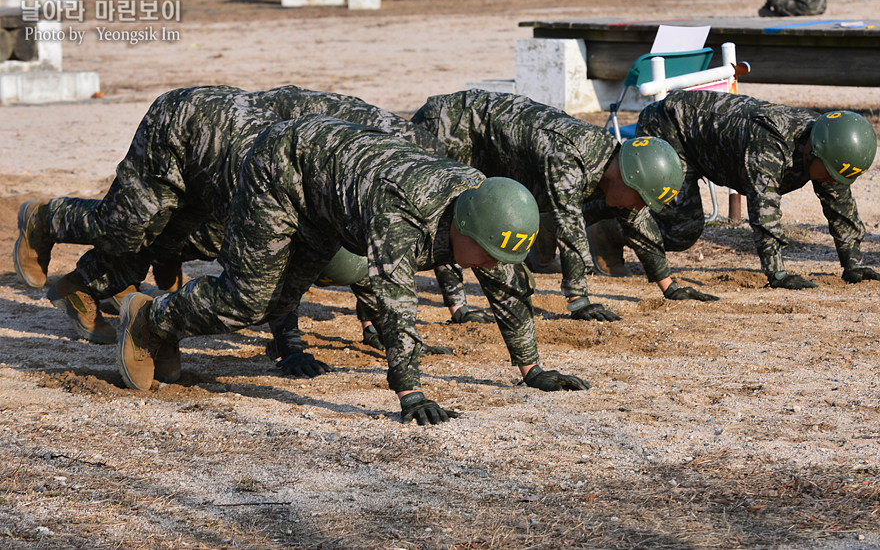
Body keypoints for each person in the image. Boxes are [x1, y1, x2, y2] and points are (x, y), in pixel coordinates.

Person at [118, 115, 591, 425]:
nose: (489, 266)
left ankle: (169, 324)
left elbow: (507, 287)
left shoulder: (484, 205)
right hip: (283, 168)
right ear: (461, 225)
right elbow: (395, 305)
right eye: (484, 254)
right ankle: (148, 319)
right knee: (250, 299)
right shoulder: (403, 215)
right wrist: (411, 393)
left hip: (330, 193)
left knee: (282, 299)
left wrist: (532, 368)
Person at [13, 85, 491, 347]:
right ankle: (45, 219)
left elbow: (369, 257)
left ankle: (84, 286)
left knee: (173, 236)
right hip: (193, 131)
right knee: (126, 225)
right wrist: (289, 337)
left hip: (239, 162)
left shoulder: (395, 175)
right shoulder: (361, 172)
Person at [410, 89, 700, 324]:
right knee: (454, 217)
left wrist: (668, 285)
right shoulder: (568, 156)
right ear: (628, 179)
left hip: (486, 142)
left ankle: (458, 308)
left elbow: (638, 221)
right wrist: (579, 300)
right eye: (639, 198)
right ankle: (457, 308)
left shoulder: (614, 167)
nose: (638, 206)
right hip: (449, 126)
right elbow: (568, 225)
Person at [630, 90, 878, 289]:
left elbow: (840, 203)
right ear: (813, 152)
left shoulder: (828, 143)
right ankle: (612, 227)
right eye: (828, 174)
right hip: (670, 126)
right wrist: (777, 274)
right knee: (682, 230)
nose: (831, 182)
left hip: (705, 142)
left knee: (682, 230)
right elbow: (763, 211)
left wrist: (852, 264)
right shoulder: (770, 145)